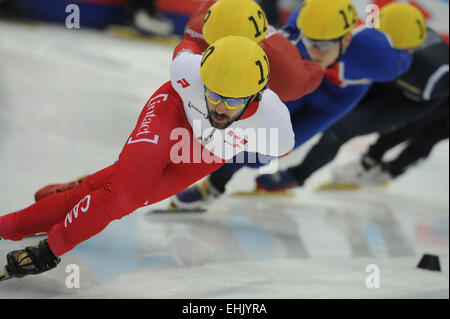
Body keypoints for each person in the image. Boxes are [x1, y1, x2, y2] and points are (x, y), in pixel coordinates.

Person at [0, 35, 295, 281]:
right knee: (124, 196)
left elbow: (271, 152)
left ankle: (10, 225)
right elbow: (187, 45)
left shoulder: (276, 126)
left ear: (256, 96)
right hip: (173, 112)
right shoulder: (186, 72)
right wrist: (51, 250)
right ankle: (47, 251)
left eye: (232, 101)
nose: (219, 107)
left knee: (97, 194)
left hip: (205, 153)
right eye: (214, 94)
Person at [33, 0, 324, 204]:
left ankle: (214, 183)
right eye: (216, 49)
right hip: (227, 101)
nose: (225, 61)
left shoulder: (286, 75)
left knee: (241, 152)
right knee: (148, 165)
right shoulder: (202, 23)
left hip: (257, 96)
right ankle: (85, 190)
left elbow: (312, 77)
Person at [172, 0, 413, 209]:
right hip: (300, 81)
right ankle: (214, 185)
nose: (313, 50)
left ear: (347, 39)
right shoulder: (301, 21)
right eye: (308, 41)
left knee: (269, 154)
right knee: (251, 136)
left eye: (322, 45)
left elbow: (409, 59)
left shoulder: (378, 57)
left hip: (334, 98)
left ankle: (293, 177)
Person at [255, 2, 449, 192]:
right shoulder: (375, 53)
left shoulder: (435, 75)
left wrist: (378, 157)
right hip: (383, 81)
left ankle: (298, 176)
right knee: (337, 126)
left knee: (341, 132)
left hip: (416, 99)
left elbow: (418, 127)